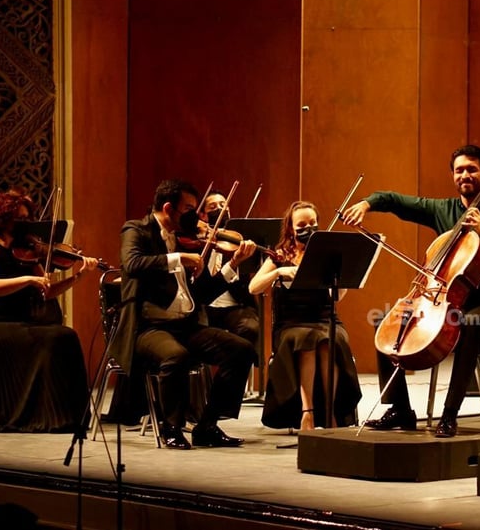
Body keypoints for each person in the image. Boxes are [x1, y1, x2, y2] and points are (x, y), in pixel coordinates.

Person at [343, 144, 480, 437]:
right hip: (448, 298)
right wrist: (367, 204)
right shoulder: (443, 209)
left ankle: (449, 415)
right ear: (453, 175)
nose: (465, 175)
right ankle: (400, 409)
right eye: (459, 170)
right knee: (386, 324)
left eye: (471, 169)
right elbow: (394, 200)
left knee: (468, 325)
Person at [112, 179, 255, 449]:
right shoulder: (137, 229)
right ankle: (172, 428)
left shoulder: (181, 239)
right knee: (176, 356)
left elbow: (201, 296)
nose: (195, 216)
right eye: (189, 208)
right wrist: (179, 258)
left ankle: (207, 425)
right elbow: (132, 263)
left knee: (241, 349)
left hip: (185, 326)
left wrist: (233, 263)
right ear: (168, 207)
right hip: (147, 328)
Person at [0, 192, 96, 433]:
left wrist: (80, 275)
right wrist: (27, 279)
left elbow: (46, 291)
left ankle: (66, 417)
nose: (25, 224)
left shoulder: (27, 250)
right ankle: (44, 416)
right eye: (18, 219)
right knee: (56, 338)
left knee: (66, 336)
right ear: (2, 218)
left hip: (21, 324)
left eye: (27, 218)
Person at [249, 201, 361, 430]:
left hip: (324, 318)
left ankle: (330, 411)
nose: (308, 229)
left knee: (332, 339)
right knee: (306, 338)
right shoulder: (279, 255)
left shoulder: (323, 254)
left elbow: (337, 296)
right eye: (301, 225)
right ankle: (307, 412)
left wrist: (337, 272)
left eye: (313, 224)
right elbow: (254, 287)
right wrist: (278, 272)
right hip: (291, 323)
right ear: (290, 228)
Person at [197, 190, 260, 360]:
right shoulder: (197, 241)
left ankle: (236, 376)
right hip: (204, 306)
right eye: (213, 206)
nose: (220, 208)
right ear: (203, 215)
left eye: (223, 205)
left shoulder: (241, 241)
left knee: (250, 328)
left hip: (235, 306)